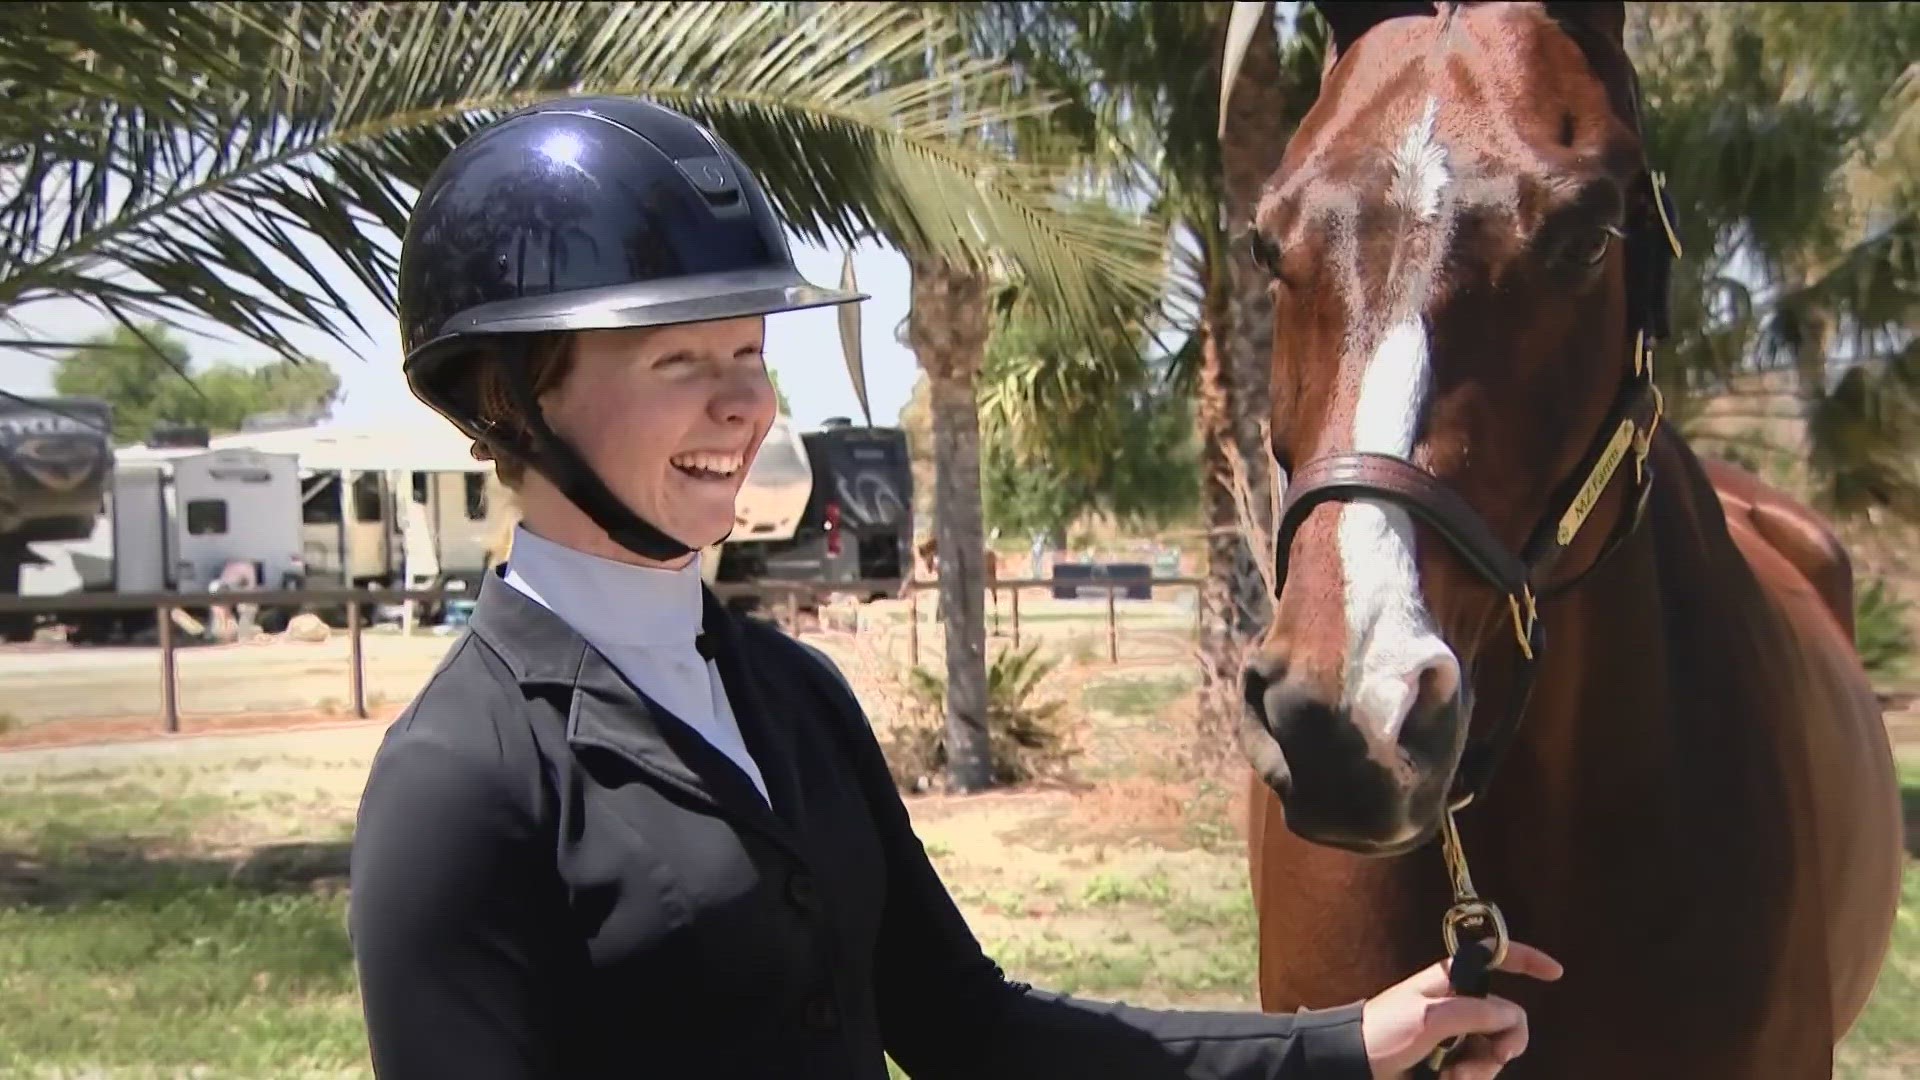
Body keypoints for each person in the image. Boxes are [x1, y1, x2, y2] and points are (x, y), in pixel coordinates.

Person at [346, 96, 1563, 1080]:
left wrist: (1350, 1043)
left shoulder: (792, 696)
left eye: (750, 356)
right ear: (514, 399)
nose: (745, 405)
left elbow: (967, 1028)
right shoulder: (464, 775)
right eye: (679, 361)